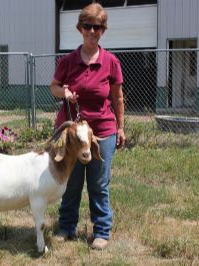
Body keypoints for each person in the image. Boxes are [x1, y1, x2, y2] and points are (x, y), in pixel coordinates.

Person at [50, 2, 125, 250]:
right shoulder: (68, 61)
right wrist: (65, 91)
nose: (92, 31)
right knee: (70, 182)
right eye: (88, 26)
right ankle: (66, 227)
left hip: (102, 133)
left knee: (98, 185)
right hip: (71, 135)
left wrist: (121, 128)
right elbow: (54, 87)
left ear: (103, 30)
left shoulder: (111, 62)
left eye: (98, 27)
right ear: (79, 28)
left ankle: (101, 231)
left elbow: (117, 97)